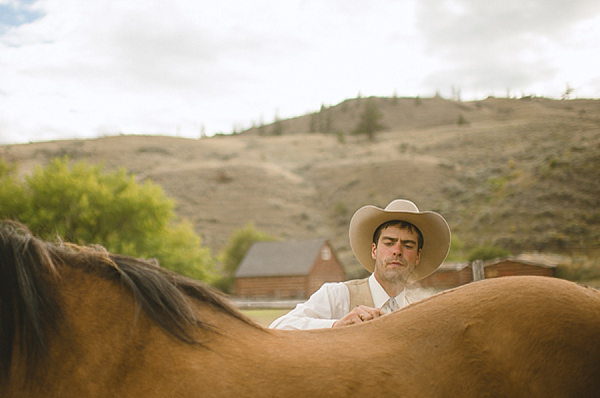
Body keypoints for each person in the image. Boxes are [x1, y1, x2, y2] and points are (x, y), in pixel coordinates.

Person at [269, 199, 451, 330]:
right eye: (388, 243)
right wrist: (336, 325)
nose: (397, 251)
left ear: (417, 256)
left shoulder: (419, 312)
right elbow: (279, 327)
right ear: (374, 250)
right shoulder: (338, 296)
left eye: (408, 245)